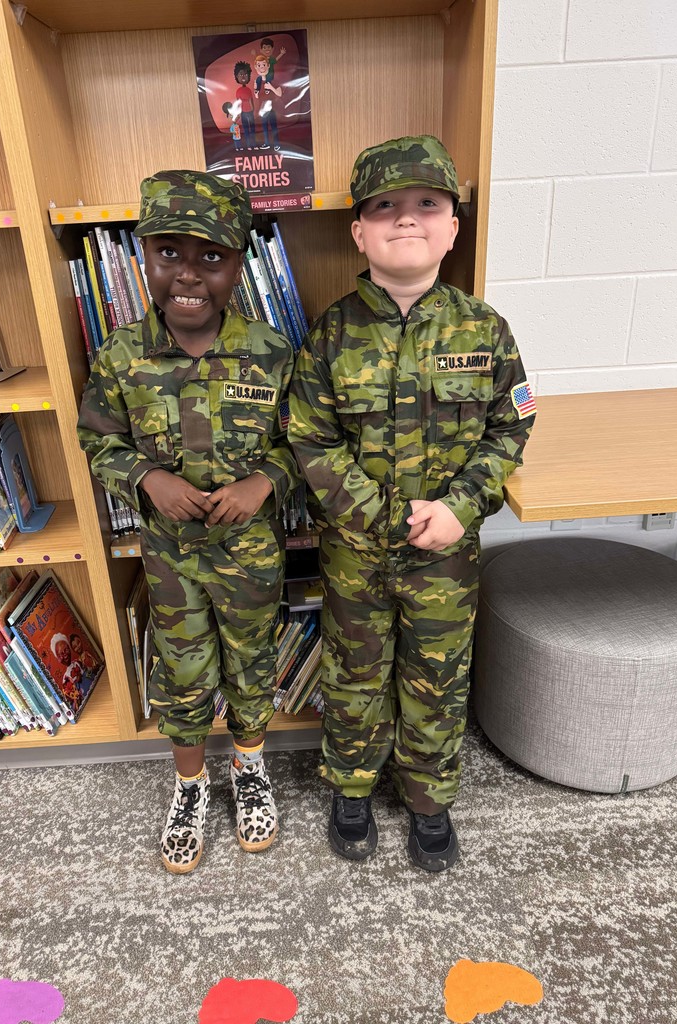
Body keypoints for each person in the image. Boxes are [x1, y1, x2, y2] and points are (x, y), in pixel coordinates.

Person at [287, 135, 536, 873]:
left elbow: (511, 423)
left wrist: (463, 505)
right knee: (356, 670)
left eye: (427, 204)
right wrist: (381, 516)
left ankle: (430, 796)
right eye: (385, 207)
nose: (406, 220)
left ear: (453, 228)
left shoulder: (484, 330)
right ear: (358, 232)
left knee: (438, 671)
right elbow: (309, 438)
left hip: (447, 556)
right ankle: (354, 788)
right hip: (356, 553)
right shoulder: (330, 336)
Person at [77, 170, 297, 874]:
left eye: (212, 256)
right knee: (183, 671)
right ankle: (191, 784)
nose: (189, 276)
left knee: (251, 662)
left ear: (240, 261)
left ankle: (252, 769)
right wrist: (148, 478)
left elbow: (307, 441)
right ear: (144, 257)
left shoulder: (271, 352)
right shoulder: (121, 356)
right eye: (168, 253)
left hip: (249, 554)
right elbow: (98, 438)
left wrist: (265, 481)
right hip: (170, 555)